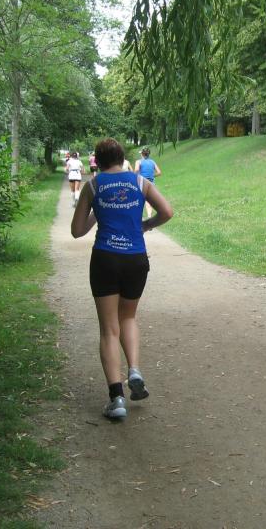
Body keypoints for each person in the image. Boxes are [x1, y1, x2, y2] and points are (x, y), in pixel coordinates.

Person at [71, 137, 174, 419]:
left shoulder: (93, 186)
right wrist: (145, 225)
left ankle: (116, 399)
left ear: (99, 161)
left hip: (105, 259)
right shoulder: (140, 182)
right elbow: (167, 212)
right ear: (121, 157)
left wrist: (97, 212)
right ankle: (135, 371)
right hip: (135, 259)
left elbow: (77, 231)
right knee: (128, 317)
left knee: (108, 329)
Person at [134, 147, 162, 218]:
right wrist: (152, 176)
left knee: (139, 200)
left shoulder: (138, 161)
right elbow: (159, 172)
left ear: (142, 154)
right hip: (151, 183)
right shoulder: (152, 162)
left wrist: (135, 177)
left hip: (142, 183)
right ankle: (149, 216)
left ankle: (138, 218)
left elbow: (136, 170)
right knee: (148, 201)